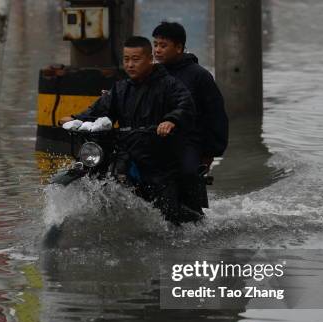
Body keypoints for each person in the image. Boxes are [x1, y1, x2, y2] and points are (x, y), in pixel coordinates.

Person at [59, 36, 200, 224]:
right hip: (127, 149)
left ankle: (179, 227)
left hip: (158, 155)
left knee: (169, 212)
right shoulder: (121, 88)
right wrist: (76, 119)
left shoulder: (169, 85)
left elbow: (185, 105)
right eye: (126, 59)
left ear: (149, 59)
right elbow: (100, 110)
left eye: (136, 59)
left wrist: (170, 121)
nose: (130, 64)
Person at [152, 21, 229, 211]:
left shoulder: (199, 76)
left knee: (188, 174)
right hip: (154, 138)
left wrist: (210, 152)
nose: (157, 50)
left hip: (189, 141)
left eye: (163, 45)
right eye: (155, 45)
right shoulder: (152, 74)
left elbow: (216, 115)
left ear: (179, 47)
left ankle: (195, 217)